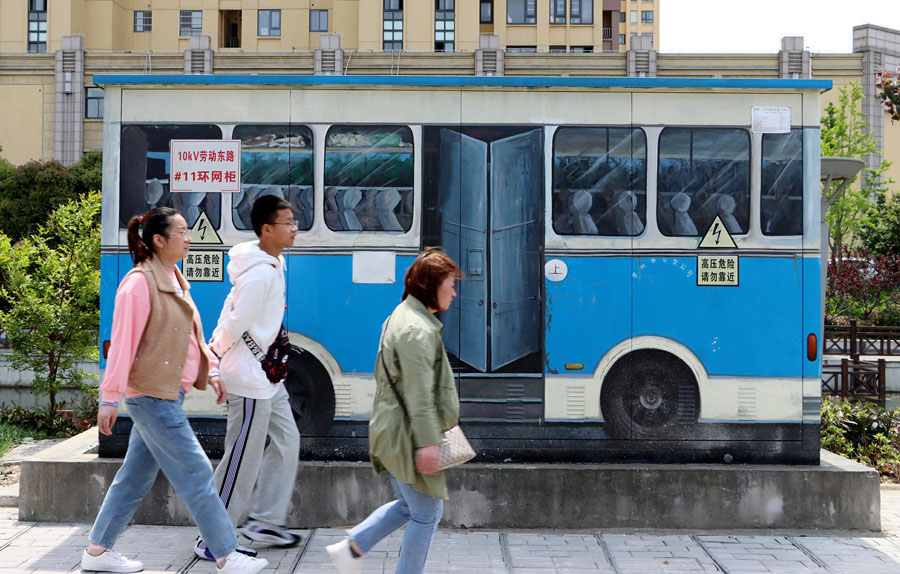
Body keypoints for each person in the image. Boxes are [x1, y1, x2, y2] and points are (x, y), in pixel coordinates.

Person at [80, 207, 269, 574]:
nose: (189, 238)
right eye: (181, 232)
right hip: (150, 396)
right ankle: (225, 554)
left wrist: (211, 370)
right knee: (197, 473)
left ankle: (97, 553)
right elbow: (121, 346)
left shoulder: (173, 276)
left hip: (165, 393)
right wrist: (108, 397)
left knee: (135, 477)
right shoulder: (138, 284)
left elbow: (191, 333)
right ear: (159, 240)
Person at [326, 247, 463, 574]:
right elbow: (417, 393)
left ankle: (352, 547)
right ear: (431, 286)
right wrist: (428, 443)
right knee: (427, 513)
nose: (455, 293)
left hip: (395, 429)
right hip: (408, 435)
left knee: (409, 505)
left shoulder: (405, 314)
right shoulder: (417, 329)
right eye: (450, 284)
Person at [194, 195, 301, 561]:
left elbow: (238, 311)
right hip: (249, 378)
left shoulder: (274, 263)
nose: (294, 227)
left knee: (288, 441)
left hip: (268, 378)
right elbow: (234, 319)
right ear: (267, 229)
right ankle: (213, 538)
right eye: (287, 222)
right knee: (242, 459)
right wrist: (215, 355)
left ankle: (265, 521)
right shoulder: (260, 274)